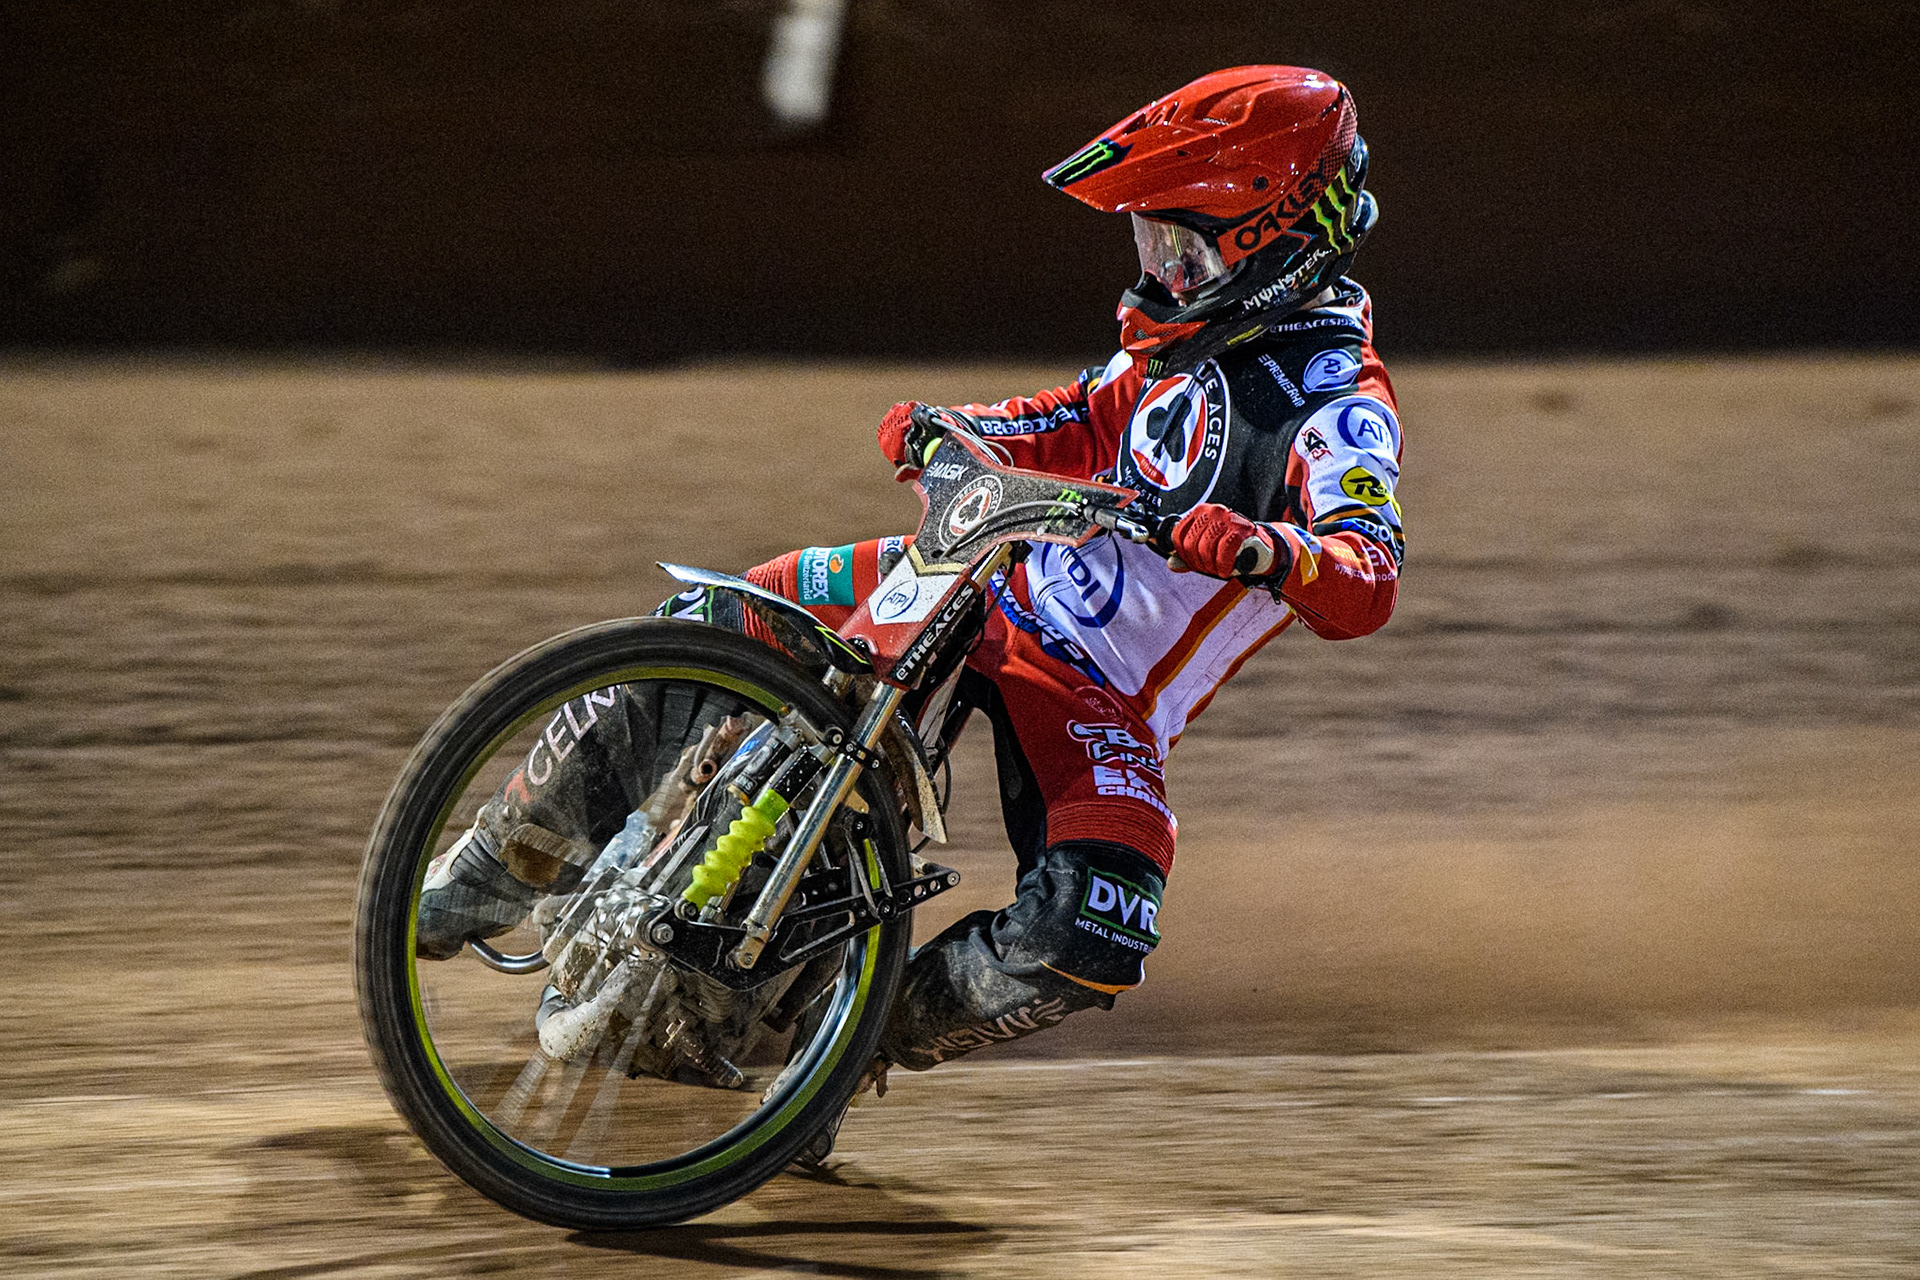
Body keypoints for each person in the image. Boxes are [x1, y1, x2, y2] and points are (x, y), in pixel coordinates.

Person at [418, 64, 1403, 1154]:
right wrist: (951, 429)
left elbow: (1367, 577)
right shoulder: (1180, 351)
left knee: (1094, 926)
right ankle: (494, 860)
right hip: (982, 579)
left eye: (1183, 246)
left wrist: (1268, 544)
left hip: (1094, 692)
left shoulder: (1339, 401)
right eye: (1152, 244)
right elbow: (1069, 415)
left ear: (1271, 242)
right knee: (714, 617)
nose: (1160, 271)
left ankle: (840, 1052)